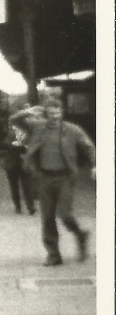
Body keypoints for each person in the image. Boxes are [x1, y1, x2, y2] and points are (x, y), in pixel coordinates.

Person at [22, 97, 96, 266]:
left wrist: (95, 165)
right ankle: (53, 254)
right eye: (51, 113)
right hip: (45, 178)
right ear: (46, 114)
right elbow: (14, 120)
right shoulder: (38, 127)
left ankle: (80, 234)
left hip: (64, 178)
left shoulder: (72, 130)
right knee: (47, 217)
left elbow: (89, 147)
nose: (54, 116)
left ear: (61, 112)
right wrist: (28, 111)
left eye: (57, 112)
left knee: (65, 214)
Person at [0, 114, 36, 215]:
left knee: (27, 186)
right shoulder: (10, 133)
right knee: (14, 187)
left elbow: (34, 145)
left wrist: (25, 147)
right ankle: (17, 207)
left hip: (25, 163)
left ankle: (30, 207)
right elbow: (3, 144)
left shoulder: (30, 133)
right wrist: (14, 144)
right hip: (11, 164)